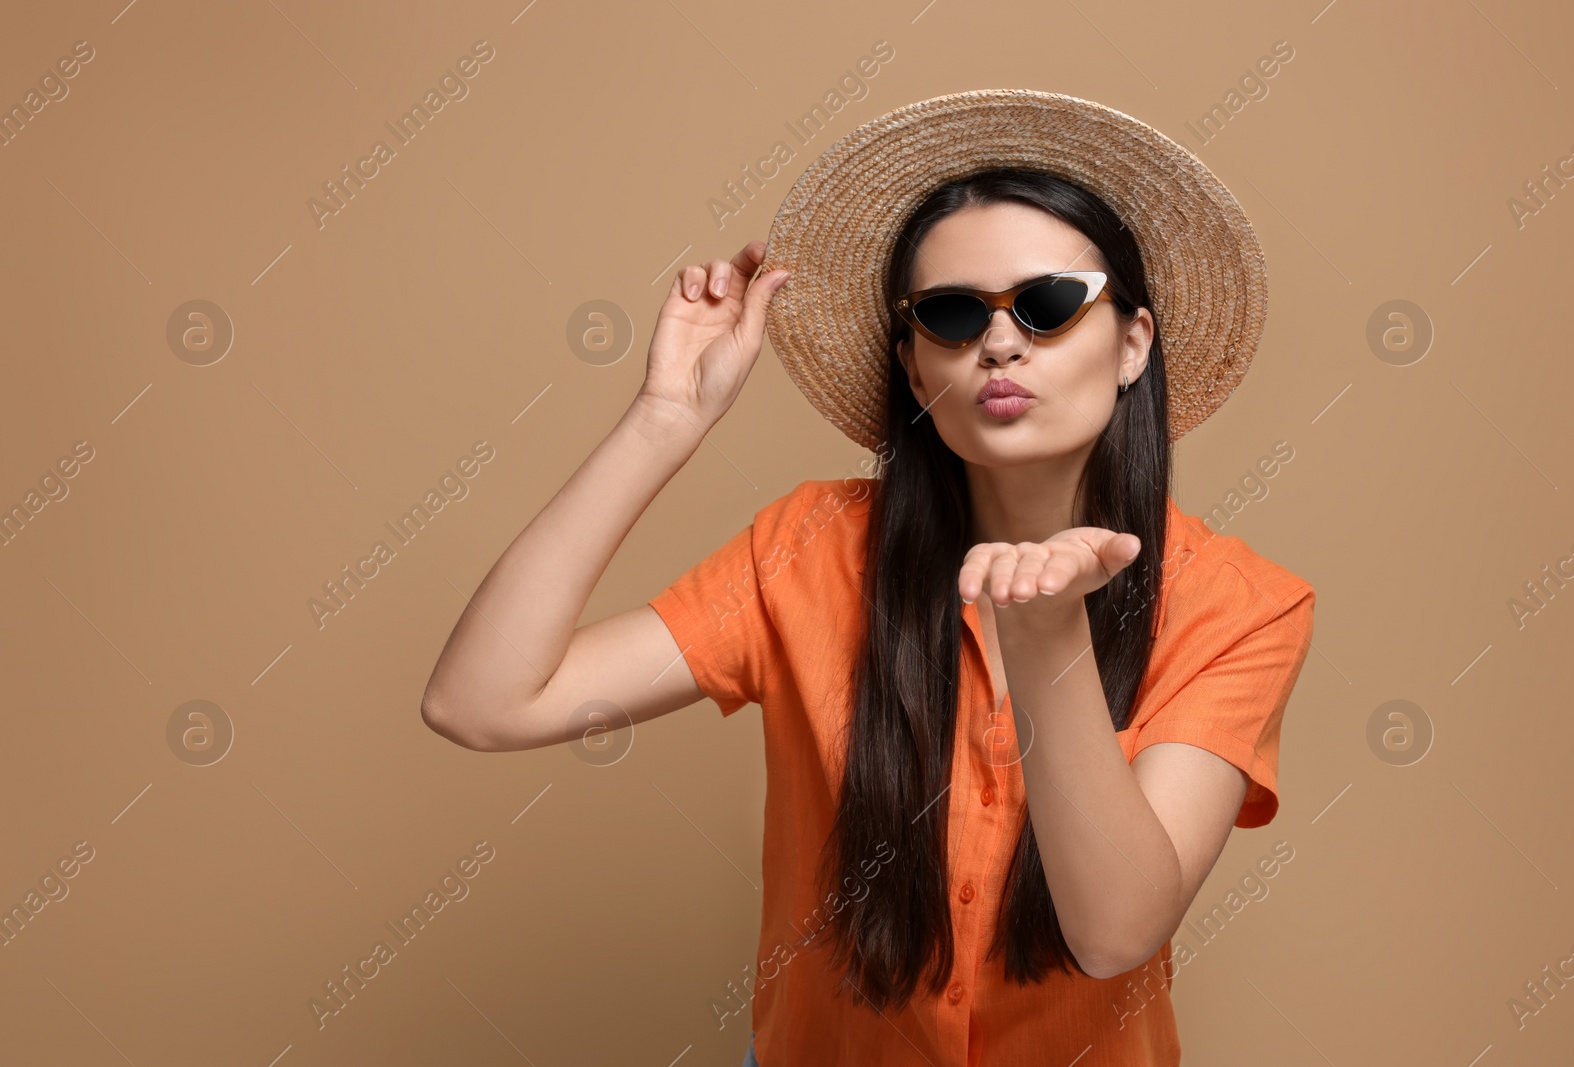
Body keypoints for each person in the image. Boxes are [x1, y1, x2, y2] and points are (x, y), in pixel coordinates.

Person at [421, 90, 1316, 1066]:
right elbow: (484, 701)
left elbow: (1111, 931)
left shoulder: (1240, 603)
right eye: (950, 314)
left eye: (1050, 304)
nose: (1000, 342)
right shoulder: (809, 546)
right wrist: (664, 421)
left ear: (1133, 343)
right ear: (911, 362)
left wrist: (1047, 640)